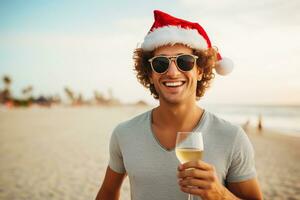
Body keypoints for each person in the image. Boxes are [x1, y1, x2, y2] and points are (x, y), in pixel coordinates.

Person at [96, 10, 263, 200]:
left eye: (185, 62)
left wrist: (219, 194)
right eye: (160, 63)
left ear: (200, 70)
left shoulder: (232, 137)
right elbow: (108, 193)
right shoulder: (124, 134)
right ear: (150, 74)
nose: (173, 72)